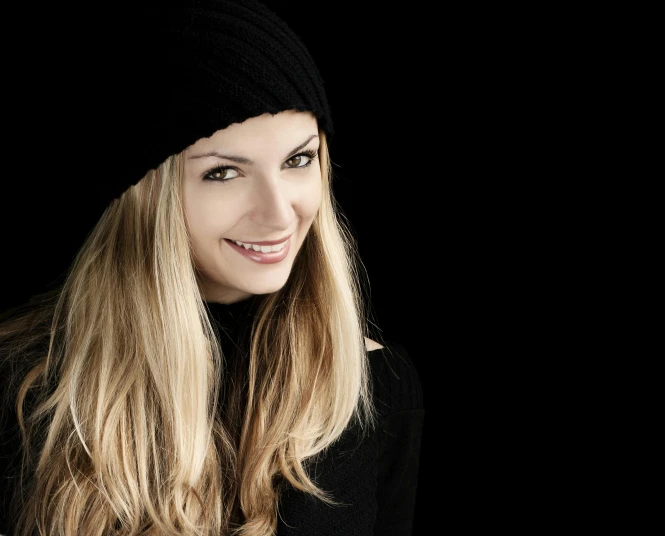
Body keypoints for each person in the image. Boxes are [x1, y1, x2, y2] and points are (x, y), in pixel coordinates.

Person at [0, 2, 424, 535]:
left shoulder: (377, 389)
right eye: (224, 173)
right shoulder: (27, 390)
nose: (278, 214)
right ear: (141, 199)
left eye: (298, 160)